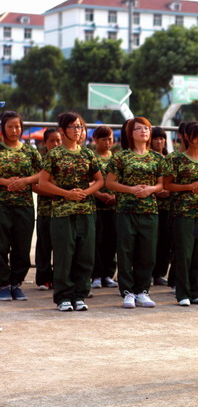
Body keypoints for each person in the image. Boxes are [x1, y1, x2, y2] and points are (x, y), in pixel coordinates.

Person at [39, 112, 104, 311]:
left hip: (86, 211)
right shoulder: (54, 154)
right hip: (62, 212)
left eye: (80, 127)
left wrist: (85, 192)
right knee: (64, 255)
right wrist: (67, 194)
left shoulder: (88, 154)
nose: (77, 131)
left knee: (85, 255)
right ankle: (63, 297)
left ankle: (79, 295)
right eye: (73, 127)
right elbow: (43, 183)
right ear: (62, 130)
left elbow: (100, 180)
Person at [106, 117, 165, 308]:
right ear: (130, 133)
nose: (144, 131)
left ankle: (143, 291)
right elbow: (110, 183)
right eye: (138, 128)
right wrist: (131, 189)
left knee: (147, 253)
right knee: (125, 252)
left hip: (149, 210)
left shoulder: (157, 158)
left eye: (146, 128)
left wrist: (150, 190)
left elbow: (161, 184)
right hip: (126, 210)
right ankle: (127, 292)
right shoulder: (121, 156)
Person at [164, 121, 198, 307]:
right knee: (183, 253)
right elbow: (167, 185)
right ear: (187, 136)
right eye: (197, 135)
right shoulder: (176, 159)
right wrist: (188, 187)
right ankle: (183, 293)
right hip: (182, 212)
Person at [0, 111, 42, 301]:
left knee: (22, 247)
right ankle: (3, 284)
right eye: (10, 126)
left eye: (17, 126)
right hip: (2, 205)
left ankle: (16, 284)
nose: (14, 130)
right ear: (3, 128)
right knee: (1, 246)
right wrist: (6, 182)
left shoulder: (29, 151)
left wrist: (26, 180)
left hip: (24, 205)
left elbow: (43, 173)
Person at [33, 128, 62, 290]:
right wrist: (55, 192)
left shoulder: (66, 160)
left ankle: (59, 278)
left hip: (63, 211)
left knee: (61, 247)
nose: (56, 144)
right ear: (45, 143)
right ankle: (43, 278)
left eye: (58, 140)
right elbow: (35, 185)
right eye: (52, 141)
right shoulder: (41, 161)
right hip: (45, 210)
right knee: (44, 246)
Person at [90, 126, 118, 289]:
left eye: (110, 139)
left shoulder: (116, 159)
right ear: (96, 140)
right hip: (95, 206)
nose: (108, 143)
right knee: (96, 242)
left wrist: (115, 197)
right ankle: (96, 275)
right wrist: (99, 195)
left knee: (111, 241)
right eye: (104, 139)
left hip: (114, 207)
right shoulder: (91, 158)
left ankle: (108, 274)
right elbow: (88, 181)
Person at [150, 126, 172, 287]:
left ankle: (159, 273)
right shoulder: (148, 158)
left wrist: (168, 190)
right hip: (151, 206)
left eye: (162, 138)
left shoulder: (169, 158)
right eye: (156, 138)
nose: (159, 141)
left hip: (167, 207)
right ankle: (148, 273)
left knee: (165, 241)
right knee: (151, 242)